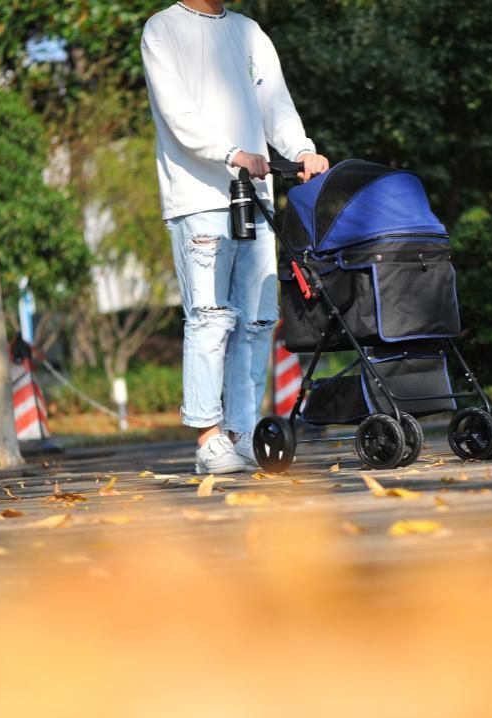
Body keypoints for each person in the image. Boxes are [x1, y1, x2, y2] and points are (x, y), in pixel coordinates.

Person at [142, 0, 329, 474]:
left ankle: (242, 433)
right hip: (199, 198)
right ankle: (209, 439)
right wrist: (233, 153)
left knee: (258, 320)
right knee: (209, 319)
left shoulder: (249, 32)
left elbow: (276, 106)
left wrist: (302, 151)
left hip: (256, 197)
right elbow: (178, 116)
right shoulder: (162, 29)